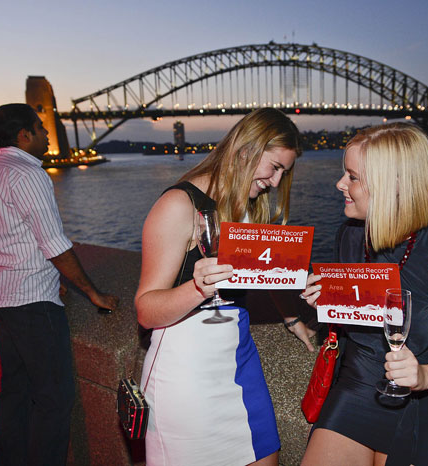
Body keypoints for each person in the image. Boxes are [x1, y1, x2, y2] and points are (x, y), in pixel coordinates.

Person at [299, 122, 428, 466]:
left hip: (422, 402)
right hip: (357, 387)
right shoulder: (349, 236)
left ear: (394, 185)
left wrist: (425, 376)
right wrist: (326, 302)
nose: (340, 184)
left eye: (353, 177)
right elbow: (361, 319)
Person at [135, 107, 315, 466]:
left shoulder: (248, 205)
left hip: (240, 359)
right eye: (275, 167)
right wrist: (197, 288)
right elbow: (145, 310)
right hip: (186, 375)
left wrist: (292, 315)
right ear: (246, 149)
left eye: (285, 172)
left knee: (265, 456)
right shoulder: (178, 205)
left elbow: (263, 273)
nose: (277, 182)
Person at [0, 103, 119, 466]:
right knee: (54, 399)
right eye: (41, 128)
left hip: (0, 296)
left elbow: (10, 236)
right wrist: (93, 292)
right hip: (30, 303)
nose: (46, 133)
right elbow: (54, 245)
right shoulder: (29, 174)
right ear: (24, 135)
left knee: (16, 392)